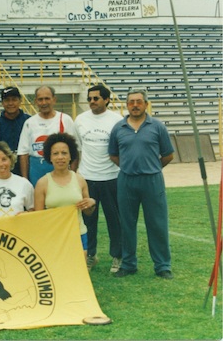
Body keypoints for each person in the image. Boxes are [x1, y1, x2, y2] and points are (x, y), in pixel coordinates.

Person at [108, 87, 175, 279]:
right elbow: (113, 155)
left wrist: (152, 168)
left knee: (157, 224)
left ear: (146, 104)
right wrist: (131, 168)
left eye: (139, 102)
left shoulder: (157, 126)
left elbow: (168, 154)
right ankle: (128, 264)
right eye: (131, 102)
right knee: (127, 224)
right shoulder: (118, 128)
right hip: (127, 181)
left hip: (152, 181)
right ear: (127, 105)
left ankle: (162, 265)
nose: (135, 105)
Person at [74, 84, 123, 273]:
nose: (92, 102)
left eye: (96, 98)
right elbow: (78, 148)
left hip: (111, 177)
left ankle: (117, 256)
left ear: (107, 99)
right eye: (89, 98)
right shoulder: (80, 120)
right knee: (88, 222)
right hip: (87, 178)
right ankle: (90, 255)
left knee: (114, 220)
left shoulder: (117, 120)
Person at [34, 133, 96, 258]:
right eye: (55, 154)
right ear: (49, 157)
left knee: (79, 275)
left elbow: (88, 212)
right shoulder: (42, 183)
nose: (60, 157)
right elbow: (38, 218)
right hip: (53, 236)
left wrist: (91, 203)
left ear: (70, 156)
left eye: (64, 153)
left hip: (78, 233)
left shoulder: (80, 180)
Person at [17, 85, 77, 186]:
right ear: (36, 101)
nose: (44, 103)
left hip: (59, 167)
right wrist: (25, 179)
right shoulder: (29, 123)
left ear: (54, 99)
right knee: (39, 201)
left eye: (47, 99)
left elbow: (75, 150)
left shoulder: (65, 120)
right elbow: (23, 153)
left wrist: (73, 174)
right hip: (36, 169)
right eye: (40, 99)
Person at [0, 87, 31, 176]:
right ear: (2, 103)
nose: (10, 103)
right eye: (7, 100)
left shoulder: (29, 121)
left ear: (20, 101)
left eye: (14, 100)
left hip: (27, 168)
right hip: (4, 169)